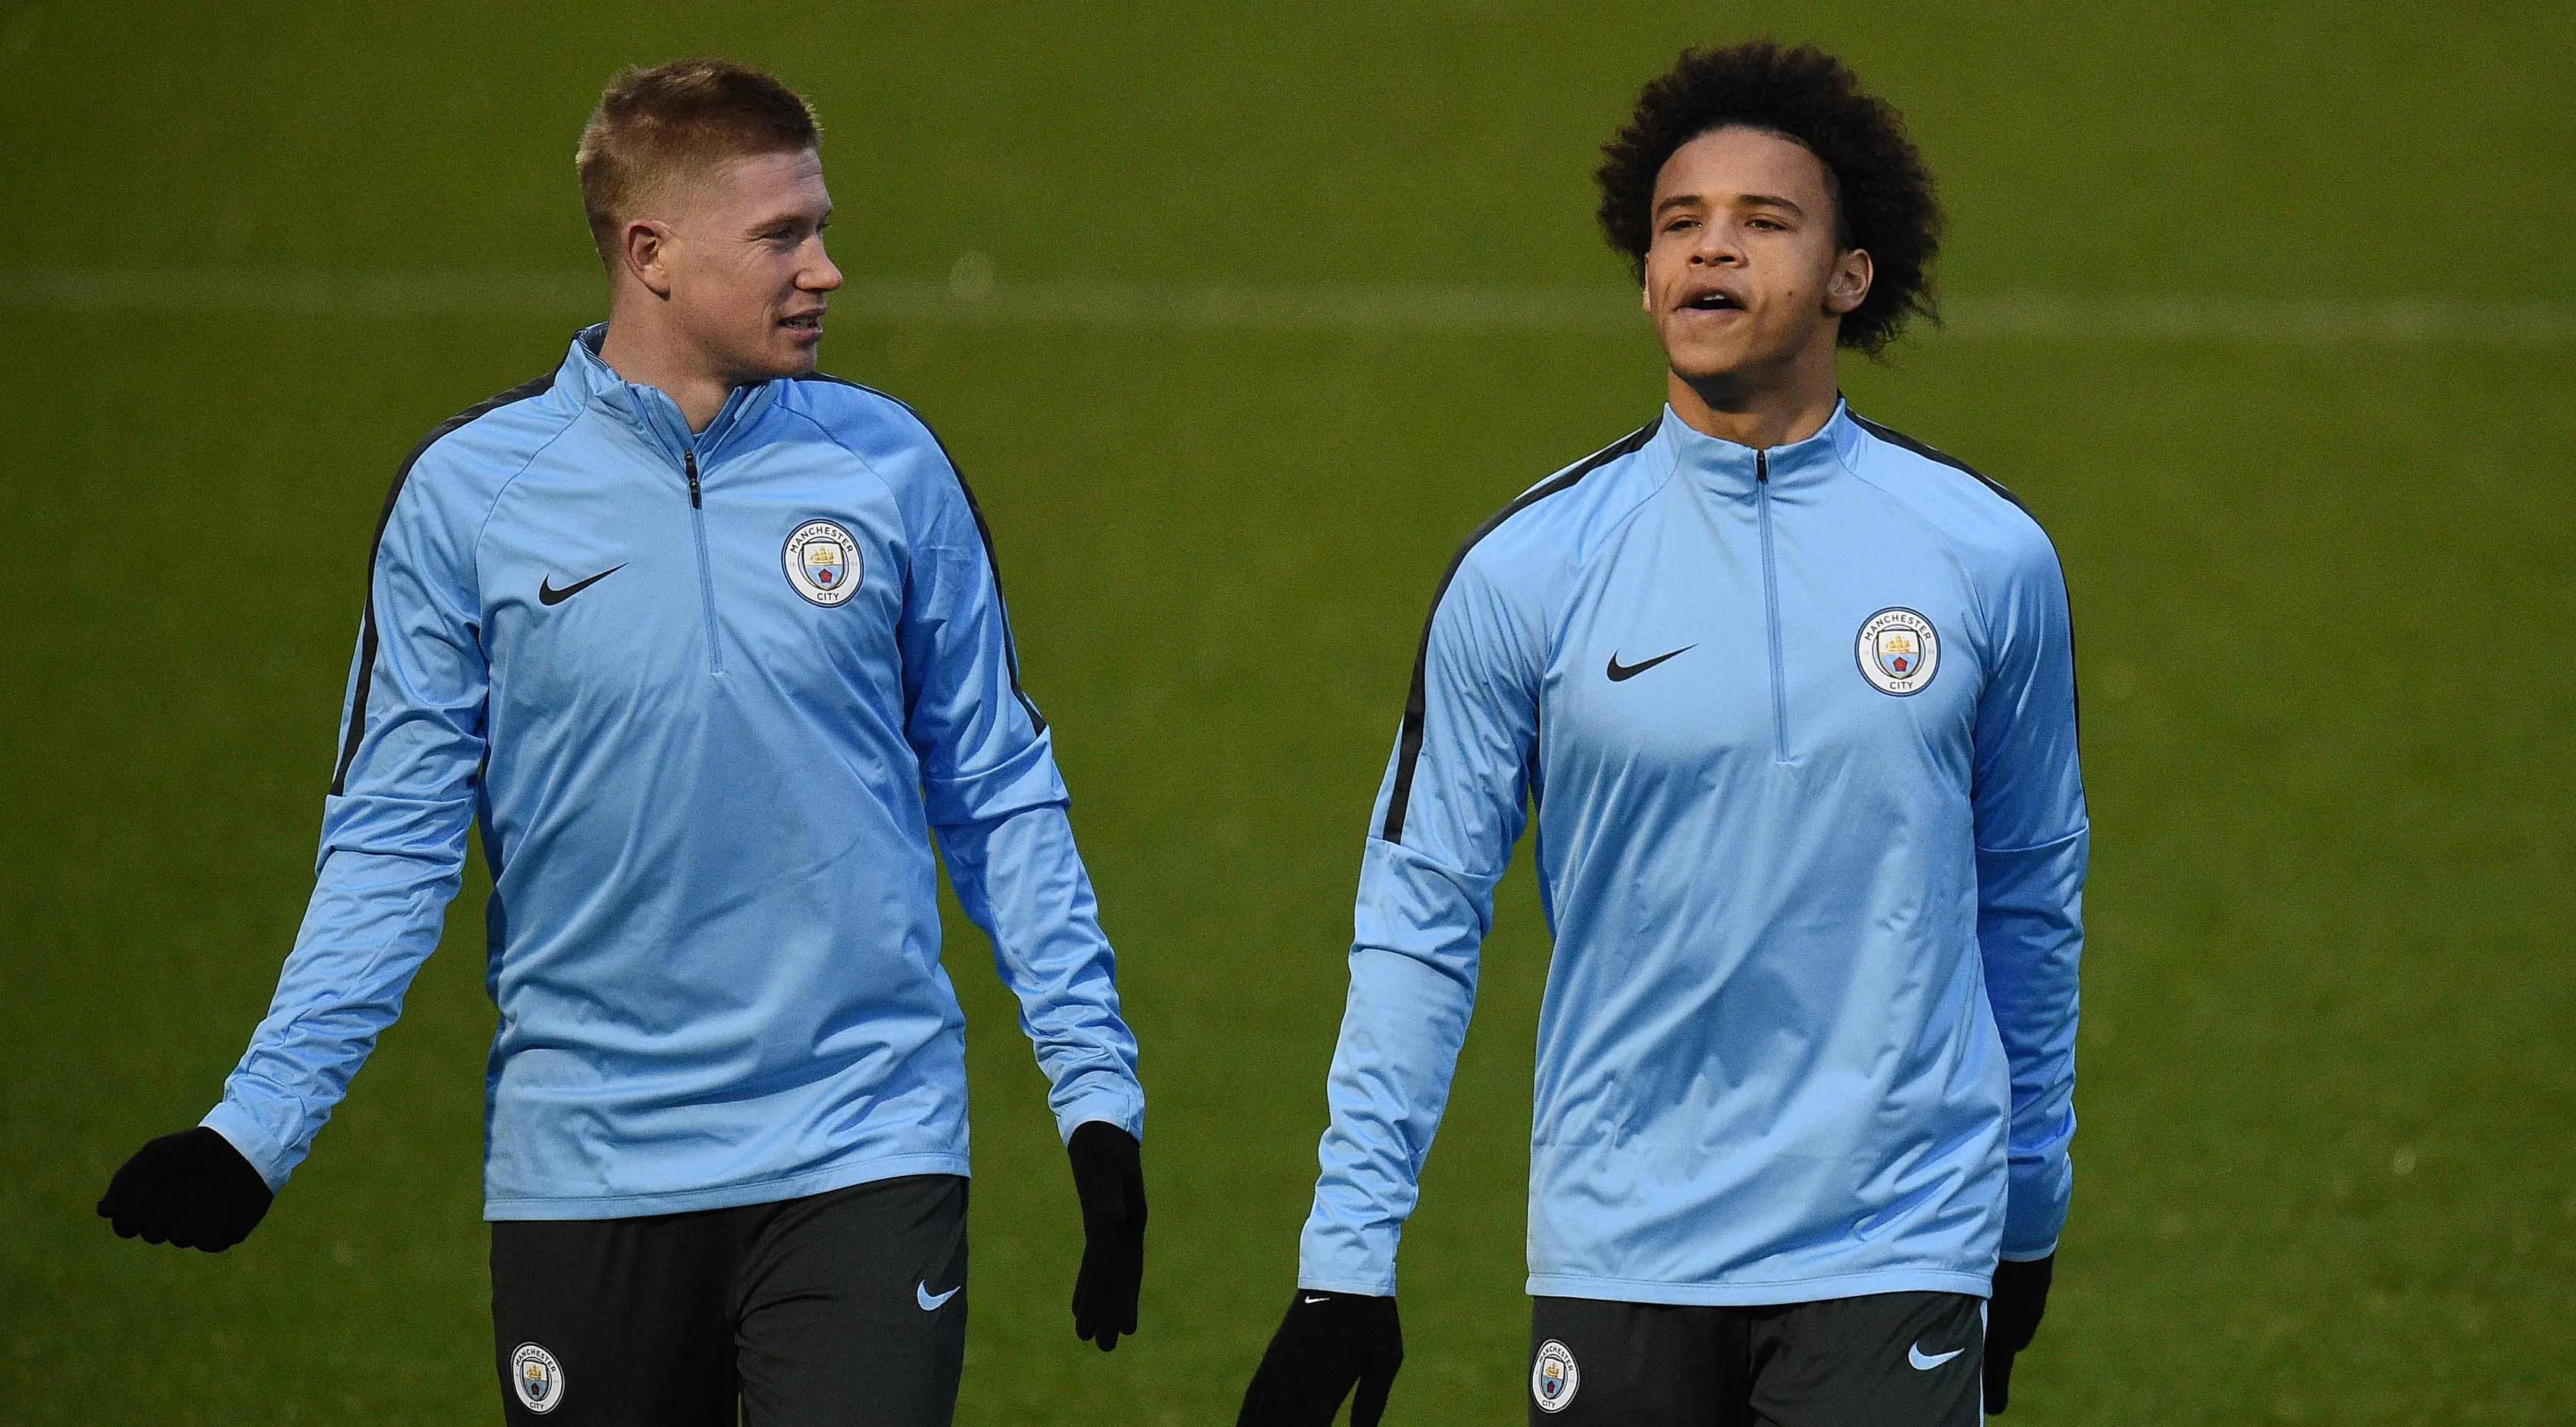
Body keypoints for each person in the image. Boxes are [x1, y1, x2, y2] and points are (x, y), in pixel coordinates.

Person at [94, 58, 1148, 1426]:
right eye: (783, 236)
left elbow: (999, 795)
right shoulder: (473, 502)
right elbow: (393, 847)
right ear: (650, 254)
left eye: (820, 226)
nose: (826, 270)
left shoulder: (890, 471)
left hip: (863, 1150)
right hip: (586, 1172)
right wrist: (257, 1129)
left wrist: (1095, 1099)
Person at [1237, 40, 2084, 1426]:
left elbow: (2033, 899)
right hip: (1623, 1240)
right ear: (1642, 274)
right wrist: (1346, 1258)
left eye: (1764, 222)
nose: (1711, 251)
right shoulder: (1529, 572)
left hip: (1895, 1233)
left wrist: (2028, 1206)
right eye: (1680, 223)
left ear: (1852, 275)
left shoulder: (1985, 560)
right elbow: (1421, 912)